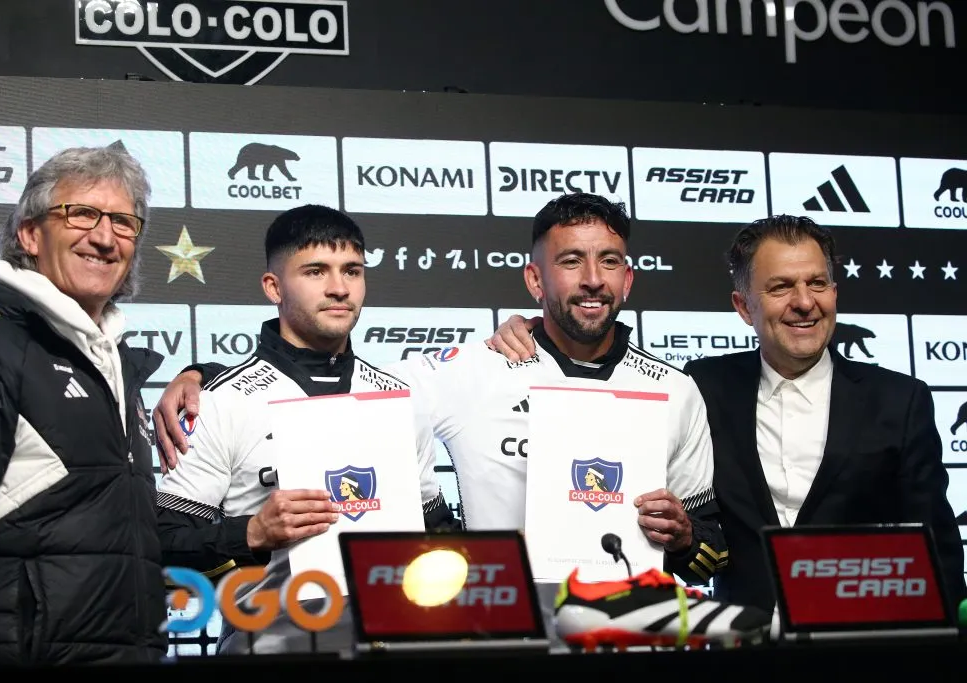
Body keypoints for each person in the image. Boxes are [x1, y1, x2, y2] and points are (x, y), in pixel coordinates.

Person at [155, 193, 727, 591]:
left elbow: (711, 553)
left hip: (634, 635)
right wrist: (206, 375)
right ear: (535, 280)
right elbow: (163, 544)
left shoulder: (676, 390)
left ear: (629, 278)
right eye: (571, 262)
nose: (593, 279)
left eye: (352, 271)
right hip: (492, 642)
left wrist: (681, 541)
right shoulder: (461, 373)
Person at [489, 214, 967, 615]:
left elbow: (937, 548)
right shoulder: (700, 386)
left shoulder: (900, 399)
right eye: (781, 287)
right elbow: (607, 362)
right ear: (743, 306)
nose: (804, 303)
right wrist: (532, 331)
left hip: (864, 650)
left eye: (817, 283)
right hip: (740, 648)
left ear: (835, 292)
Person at [153, 204, 456, 654]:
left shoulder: (400, 398)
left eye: (352, 271)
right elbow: (161, 545)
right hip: (271, 651)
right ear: (273, 286)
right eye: (315, 271)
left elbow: (435, 529)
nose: (339, 288)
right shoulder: (220, 400)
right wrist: (252, 533)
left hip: (396, 649)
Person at [0, 144, 167, 665]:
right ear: (29, 234)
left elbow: (108, 530)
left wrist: (246, 533)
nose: (105, 237)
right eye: (81, 214)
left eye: (123, 221)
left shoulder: (112, 360)